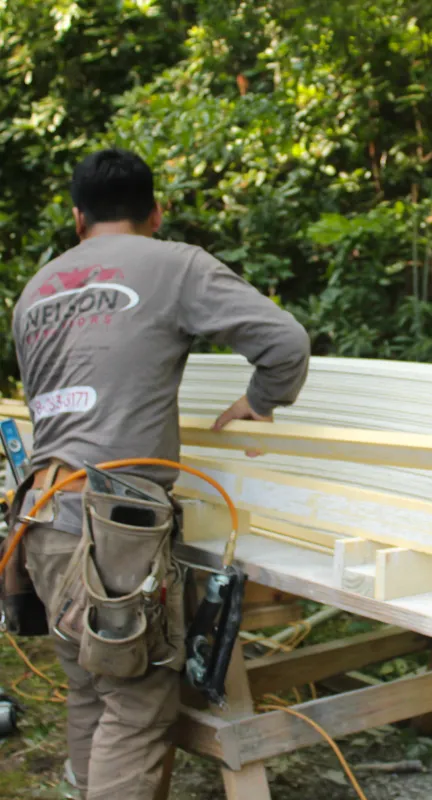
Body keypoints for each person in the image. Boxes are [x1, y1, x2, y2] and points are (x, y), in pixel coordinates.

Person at [10, 148, 311, 799]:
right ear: (156, 211)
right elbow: (285, 343)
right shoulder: (174, 264)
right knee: (138, 707)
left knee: (92, 689)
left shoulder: (35, 292)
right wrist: (259, 403)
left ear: (76, 217)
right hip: (111, 531)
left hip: (39, 518)